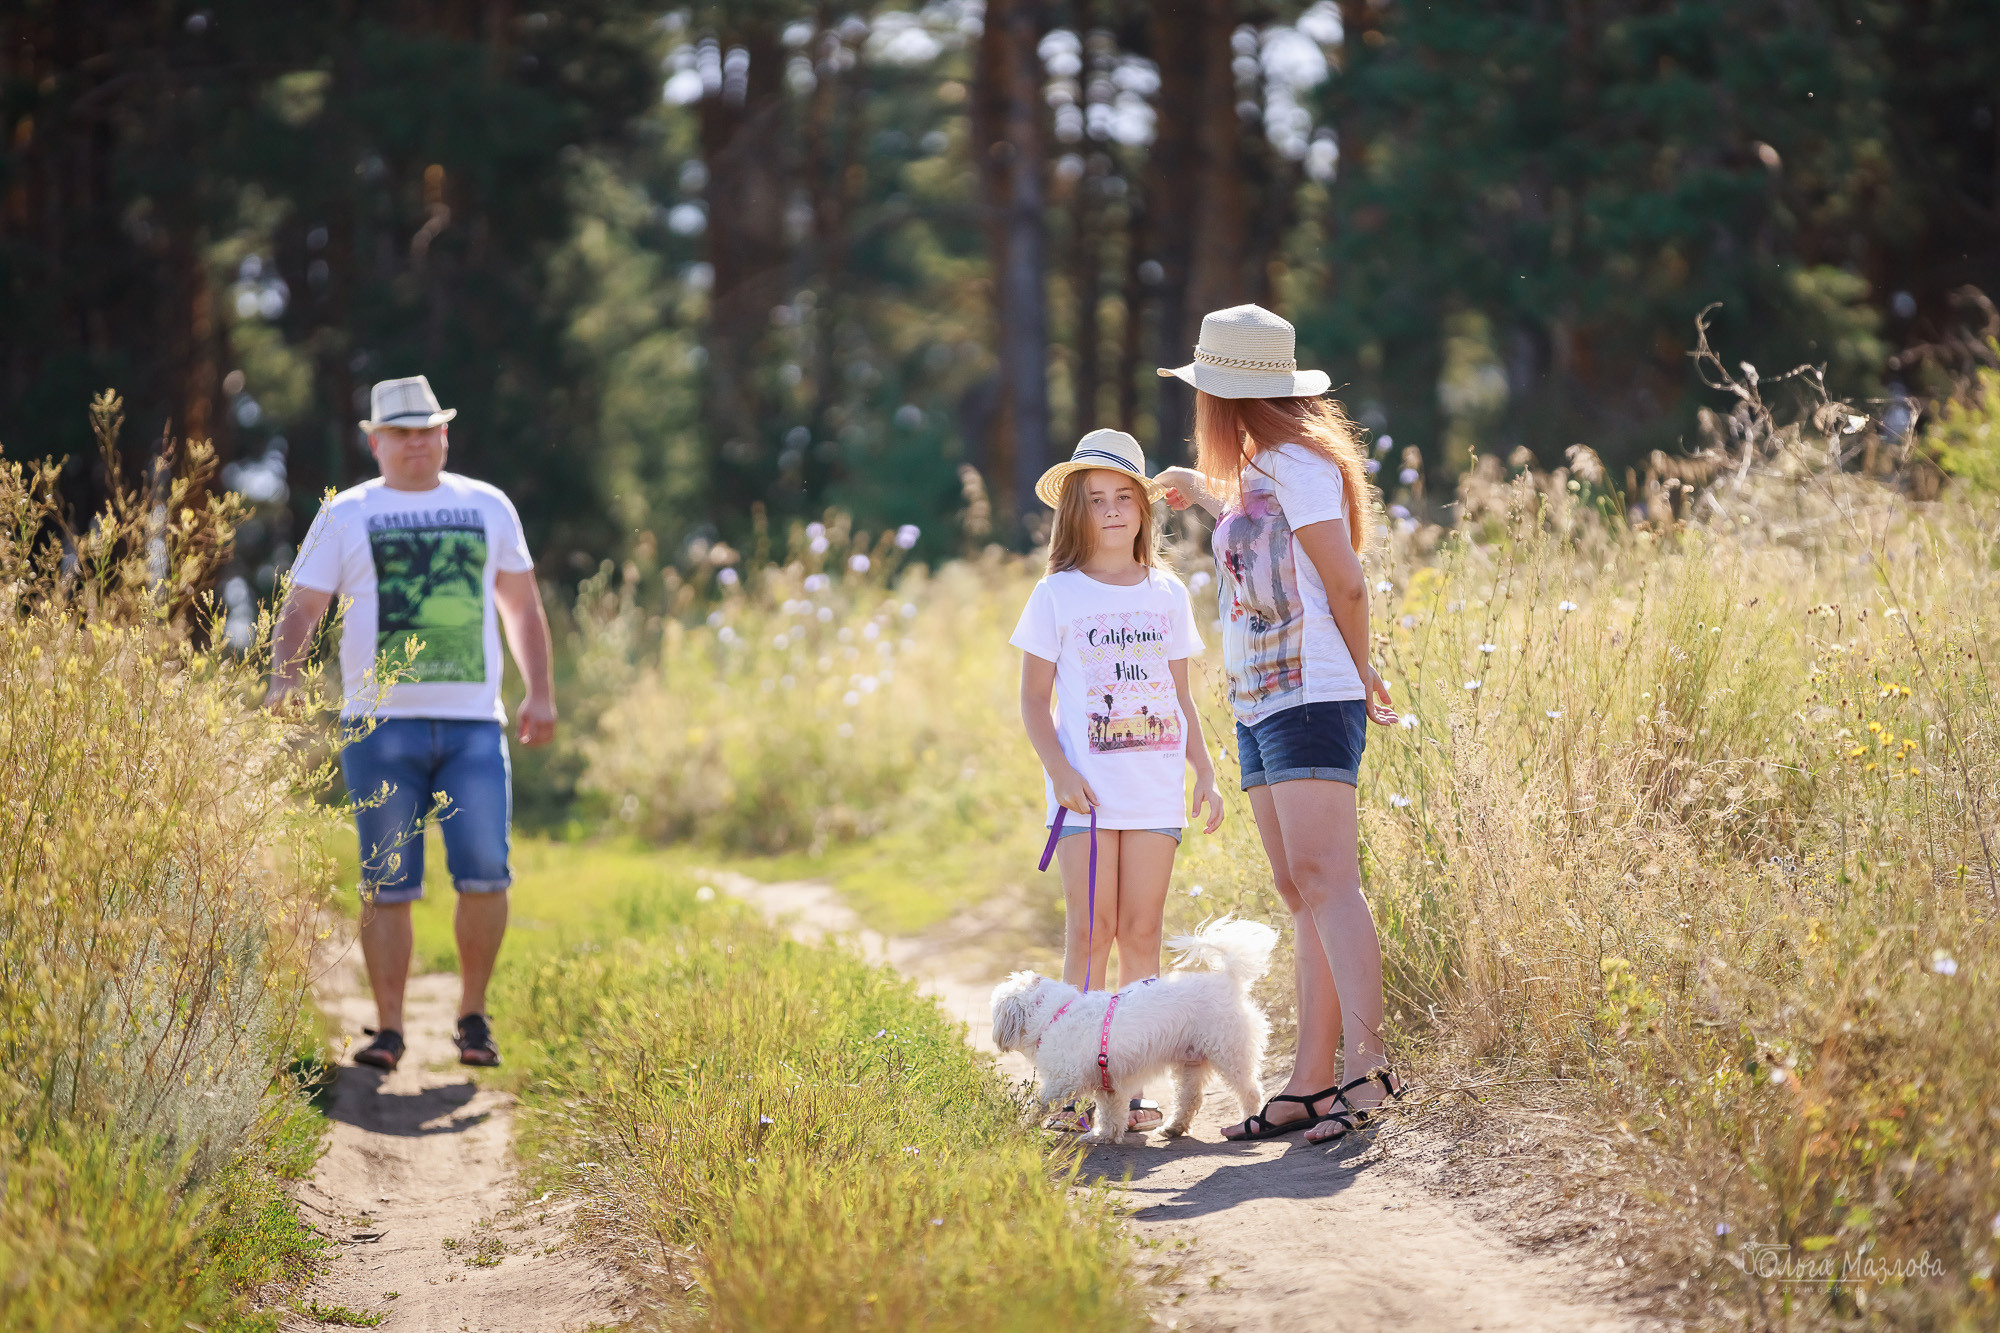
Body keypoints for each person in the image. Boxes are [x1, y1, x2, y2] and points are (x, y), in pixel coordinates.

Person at [1155, 305, 1404, 1145]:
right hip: (1261, 697)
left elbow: (1349, 581)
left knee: (1327, 880)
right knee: (1300, 888)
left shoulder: (1297, 466)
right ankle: (1307, 1082)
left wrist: (1364, 671)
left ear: (1226, 398)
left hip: (1310, 692)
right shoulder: (1270, 465)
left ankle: (1367, 1076)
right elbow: (1262, 509)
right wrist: (1201, 489)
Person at [266, 375, 557, 1072]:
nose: (417, 441)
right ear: (374, 441)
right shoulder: (346, 513)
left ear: (445, 434)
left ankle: (473, 1016)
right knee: (388, 881)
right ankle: (389, 1029)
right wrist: (286, 674)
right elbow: (303, 605)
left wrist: (539, 691)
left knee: (486, 872)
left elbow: (521, 607)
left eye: (428, 428)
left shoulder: (487, 506)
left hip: (472, 730)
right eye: (401, 431)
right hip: (378, 729)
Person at [1010, 428, 1225, 1134]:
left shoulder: (1165, 592)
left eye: (1122, 497)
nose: (1110, 511)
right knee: (1091, 931)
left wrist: (1206, 769)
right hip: (1086, 798)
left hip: (1155, 790)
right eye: (1095, 499)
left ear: (1144, 507)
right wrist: (1061, 771)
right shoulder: (1056, 595)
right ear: (1075, 512)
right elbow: (1032, 702)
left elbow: (1181, 696)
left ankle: (1129, 1090)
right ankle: (1071, 1086)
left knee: (1141, 933)